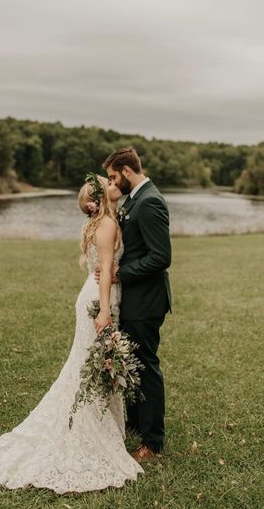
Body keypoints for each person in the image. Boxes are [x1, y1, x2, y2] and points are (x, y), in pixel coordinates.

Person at [0, 173, 144, 494]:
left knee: (94, 365)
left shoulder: (105, 221)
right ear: (98, 199)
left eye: (114, 181)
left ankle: (104, 423)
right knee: (92, 366)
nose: (115, 186)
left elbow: (101, 266)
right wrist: (103, 311)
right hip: (99, 302)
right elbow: (102, 275)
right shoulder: (108, 225)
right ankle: (89, 427)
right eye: (109, 184)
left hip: (98, 296)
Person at [96, 147, 172, 463]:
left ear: (127, 171)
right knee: (133, 366)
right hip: (133, 301)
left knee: (146, 367)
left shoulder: (150, 201)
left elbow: (161, 256)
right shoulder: (134, 199)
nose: (112, 182)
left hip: (146, 302)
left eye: (114, 176)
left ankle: (152, 443)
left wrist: (120, 273)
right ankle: (137, 423)